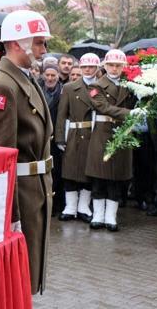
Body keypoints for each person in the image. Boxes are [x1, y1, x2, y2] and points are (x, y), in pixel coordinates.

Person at [0, 10, 53, 295]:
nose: (43, 50)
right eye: (38, 42)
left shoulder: (24, 79)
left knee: (28, 276)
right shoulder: (3, 86)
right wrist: (10, 215)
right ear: (17, 43)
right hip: (19, 194)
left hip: (34, 188)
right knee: (15, 282)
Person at [86, 49, 140, 232]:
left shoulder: (131, 85)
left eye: (118, 65)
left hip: (122, 132)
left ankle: (111, 216)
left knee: (116, 178)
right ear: (105, 66)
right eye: (111, 65)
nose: (115, 69)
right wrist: (128, 113)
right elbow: (103, 107)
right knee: (99, 177)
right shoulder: (96, 85)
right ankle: (98, 215)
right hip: (103, 132)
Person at [55, 53, 100, 222]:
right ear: (80, 68)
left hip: (93, 134)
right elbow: (61, 115)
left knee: (88, 173)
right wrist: (60, 137)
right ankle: (70, 207)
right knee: (70, 171)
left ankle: (83, 207)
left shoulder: (100, 88)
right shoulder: (69, 88)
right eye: (85, 67)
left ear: (97, 68)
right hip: (73, 134)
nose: (88, 70)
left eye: (91, 67)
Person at [40, 64, 64, 215]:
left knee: (56, 173)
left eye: (53, 75)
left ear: (58, 76)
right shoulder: (37, 89)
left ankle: (56, 206)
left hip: (56, 139)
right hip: (41, 138)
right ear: (43, 75)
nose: (50, 78)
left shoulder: (63, 92)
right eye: (47, 75)